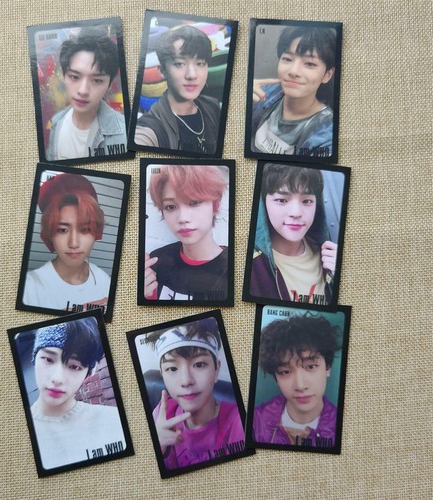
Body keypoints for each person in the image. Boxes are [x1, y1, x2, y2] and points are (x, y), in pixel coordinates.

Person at [145, 318, 245, 469]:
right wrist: (158, 449)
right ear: (162, 374)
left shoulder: (239, 421)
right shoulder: (161, 415)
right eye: (172, 369)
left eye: (199, 364)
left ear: (216, 370)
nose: (186, 381)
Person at [30, 317, 126, 469]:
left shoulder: (115, 421)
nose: (57, 378)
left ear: (88, 373)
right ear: (34, 359)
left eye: (75, 367)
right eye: (48, 359)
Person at [250, 163, 337, 305]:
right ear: (264, 203)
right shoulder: (252, 266)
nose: (296, 212)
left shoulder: (328, 258)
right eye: (282, 200)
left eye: (307, 201)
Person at [23, 173, 111, 312]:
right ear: (49, 234)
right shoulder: (29, 289)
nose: (74, 243)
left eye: (85, 229)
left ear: (96, 232)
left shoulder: (104, 281)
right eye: (62, 230)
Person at [253, 313, 341, 447]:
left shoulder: (346, 427)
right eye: (285, 372)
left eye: (311, 366)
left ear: (327, 368)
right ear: (276, 378)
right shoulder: (255, 422)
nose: (300, 385)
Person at [144, 165, 228, 301]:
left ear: (215, 205)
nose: (182, 218)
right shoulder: (157, 261)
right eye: (170, 206)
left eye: (194, 202)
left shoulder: (237, 269)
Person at [251, 26, 336, 157]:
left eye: (310, 64)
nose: (293, 71)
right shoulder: (266, 92)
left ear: (327, 75)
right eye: (287, 59)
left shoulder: (327, 135)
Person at [135, 25, 221, 154]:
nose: (192, 75)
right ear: (162, 71)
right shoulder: (152, 127)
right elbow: (142, 138)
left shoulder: (212, 107)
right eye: (180, 64)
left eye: (200, 63)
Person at [46, 26, 127, 161]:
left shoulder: (125, 134)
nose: (83, 91)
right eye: (74, 77)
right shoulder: (57, 122)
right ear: (64, 76)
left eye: (97, 80)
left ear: (109, 84)